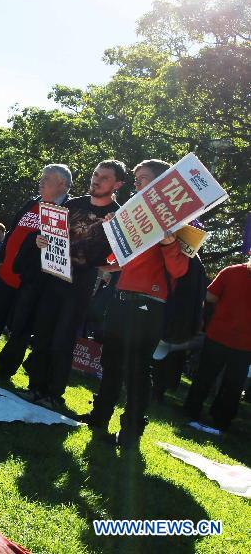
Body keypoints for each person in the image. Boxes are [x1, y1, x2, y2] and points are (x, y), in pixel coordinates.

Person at [78, 159, 189, 449]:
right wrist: (111, 234)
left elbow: (179, 271)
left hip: (150, 304)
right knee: (111, 362)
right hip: (121, 297)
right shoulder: (132, 214)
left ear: (161, 185)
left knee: (138, 369)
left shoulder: (176, 222)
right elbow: (120, 261)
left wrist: (168, 243)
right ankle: (100, 416)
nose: (137, 184)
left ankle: (132, 432)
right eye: (137, 179)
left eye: (143, 179)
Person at [22, 160, 126, 407]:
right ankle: (35, 387)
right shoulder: (72, 205)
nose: (97, 180)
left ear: (117, 185)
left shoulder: (119, 216)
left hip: (82, 282)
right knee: (43, 333)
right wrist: (42, 241)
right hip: (53, 275)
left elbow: (122, 257)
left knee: (63, 339)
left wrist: (113, 234)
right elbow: (50, 234)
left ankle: (54, 394)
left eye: (105, 178)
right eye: (95, 174)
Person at [0, 165, 70, 369]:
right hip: (6, 273)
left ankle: (5, 369)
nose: (41, 181)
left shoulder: (68, 212)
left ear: (62, 184)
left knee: (20, 328)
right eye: (41, 177)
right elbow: (12, 232)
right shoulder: (32, 202)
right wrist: (1, 259)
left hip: (32, 281)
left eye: (47, 179)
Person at [183, 258, 251, 432]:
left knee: (205, 376)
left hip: (219, 335)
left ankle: (191, 411)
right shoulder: (231, 271)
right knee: (233, 385)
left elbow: (210, 296)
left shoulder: (231, 271)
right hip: (244, 344)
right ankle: (221, 420)